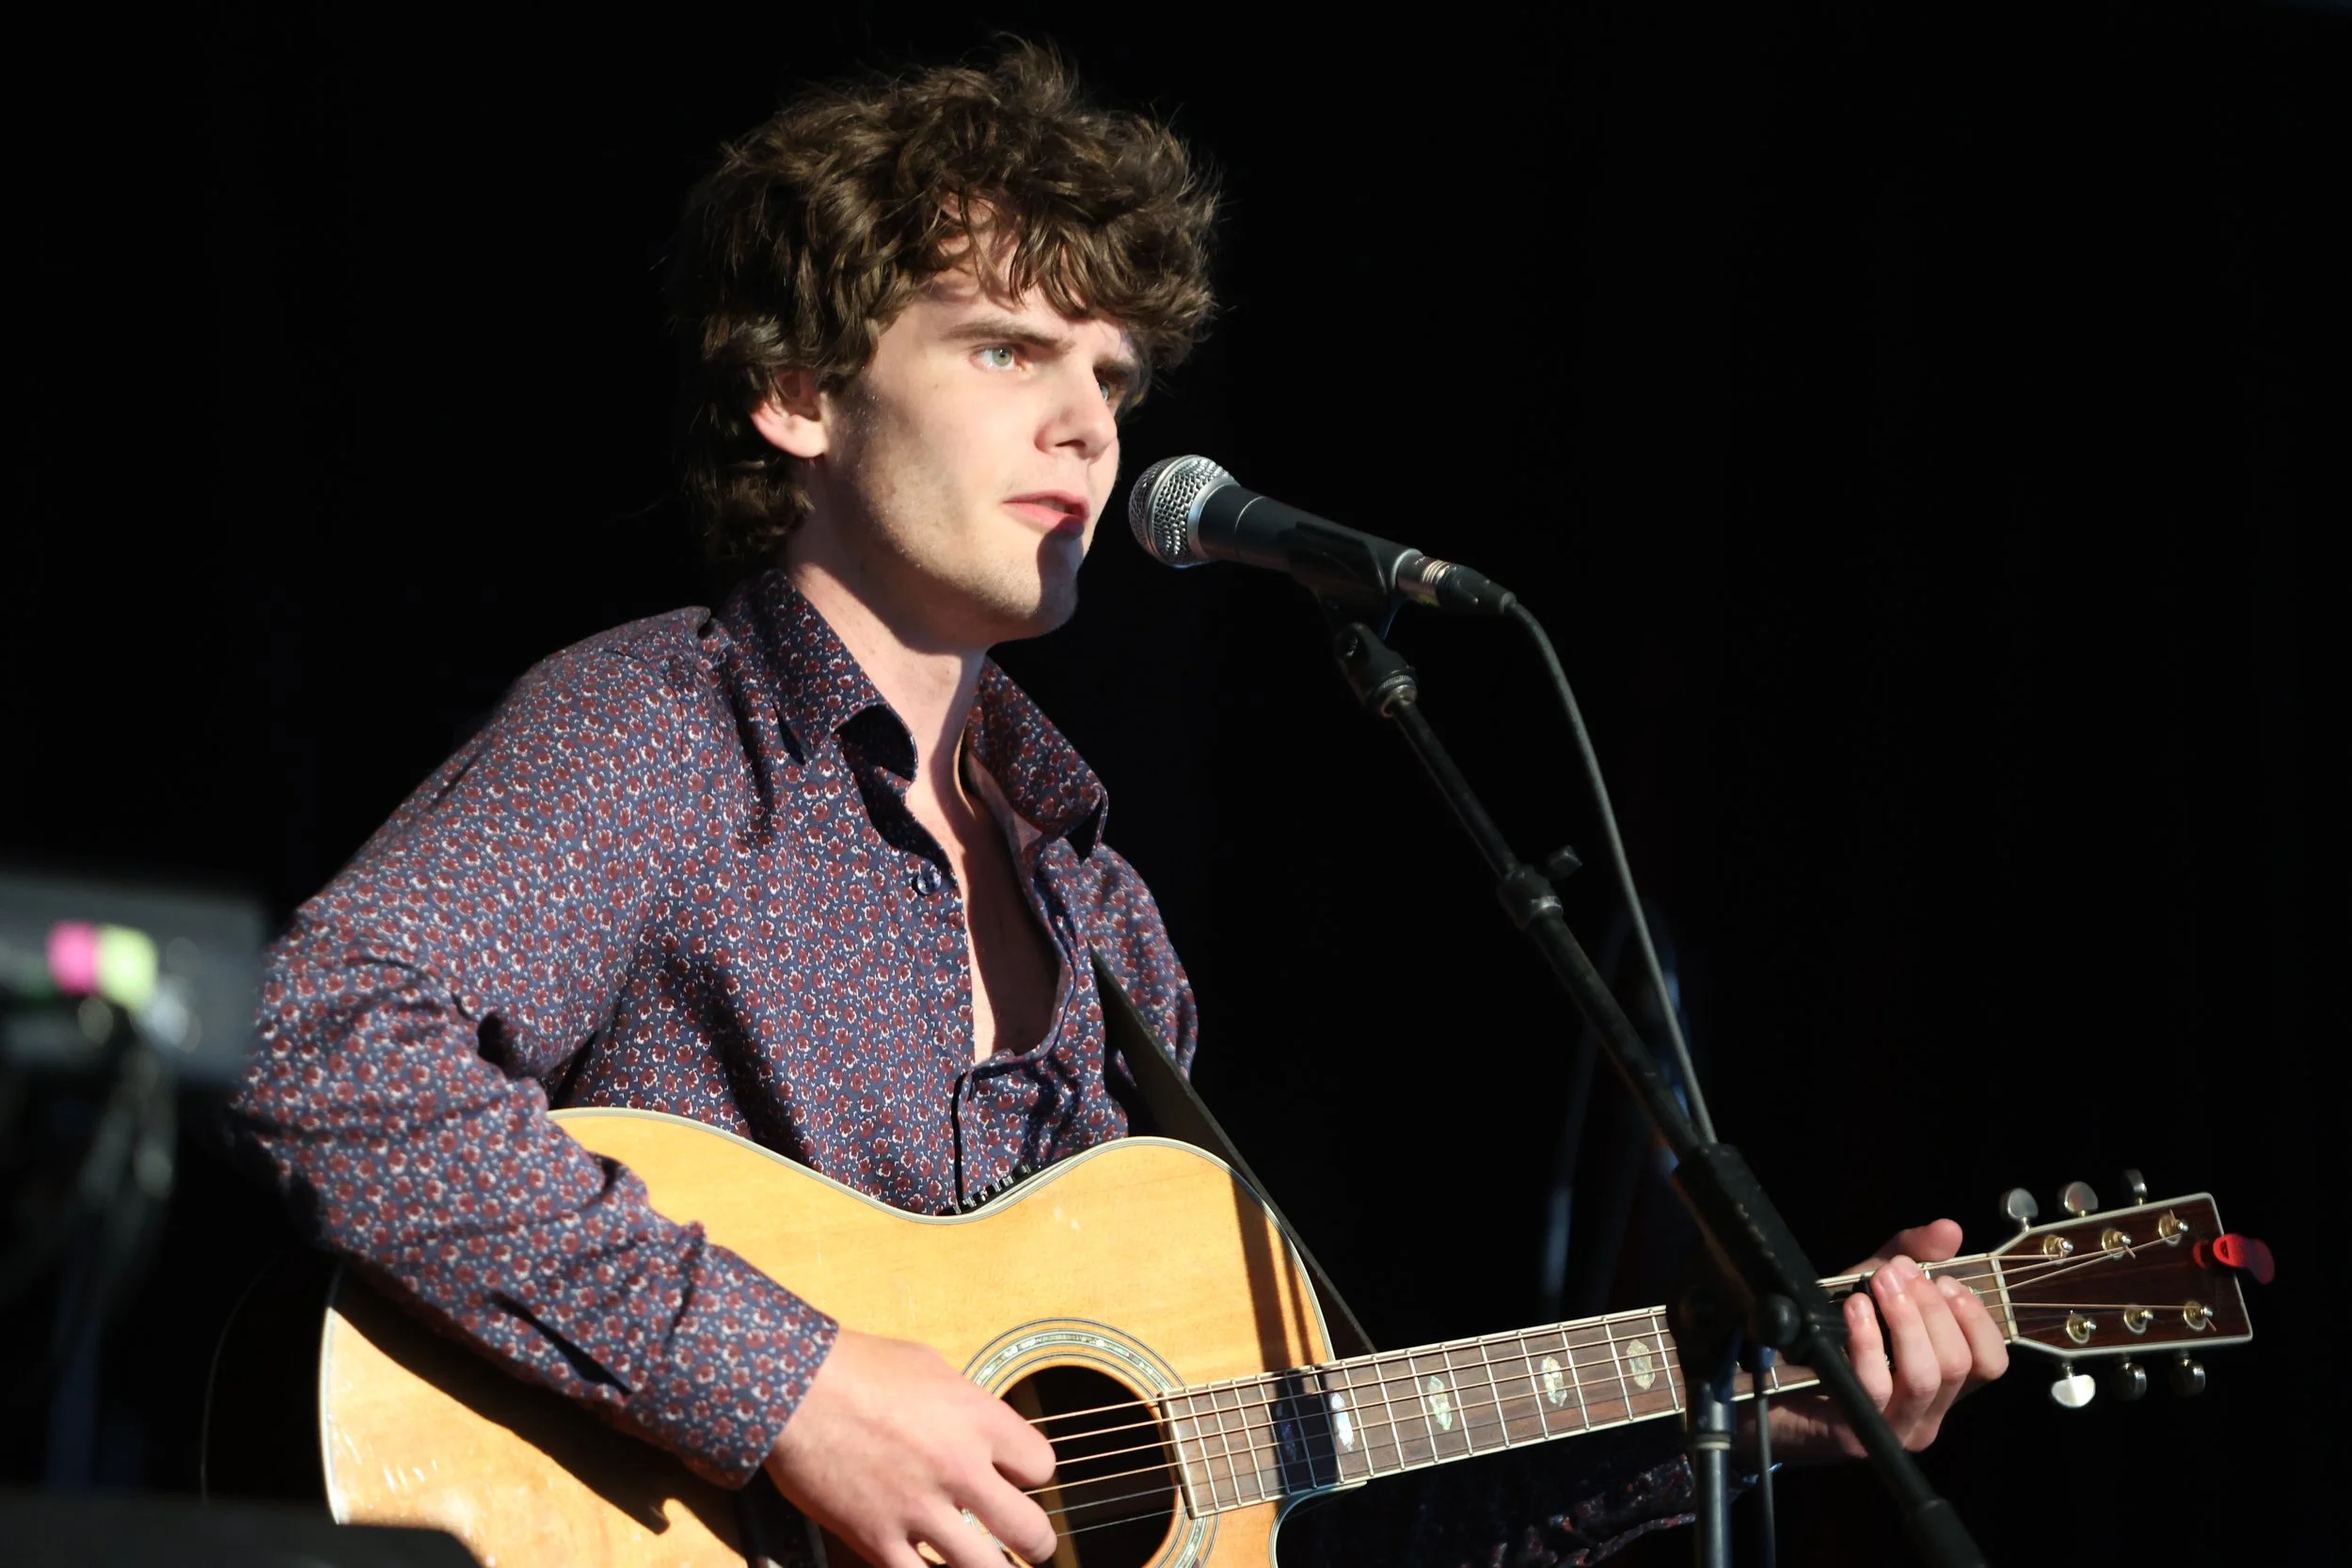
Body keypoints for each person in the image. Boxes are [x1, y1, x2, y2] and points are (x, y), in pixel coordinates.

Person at [229, 43, 2006, 1568]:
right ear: (796, 394)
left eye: (1113, 378)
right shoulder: (664, 731)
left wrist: (1752, 1403)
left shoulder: (1105, 919)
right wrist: (793, 1390)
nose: (1089, 425)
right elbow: (334, 1050)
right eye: (1011, 351)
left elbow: (1283, 1510)